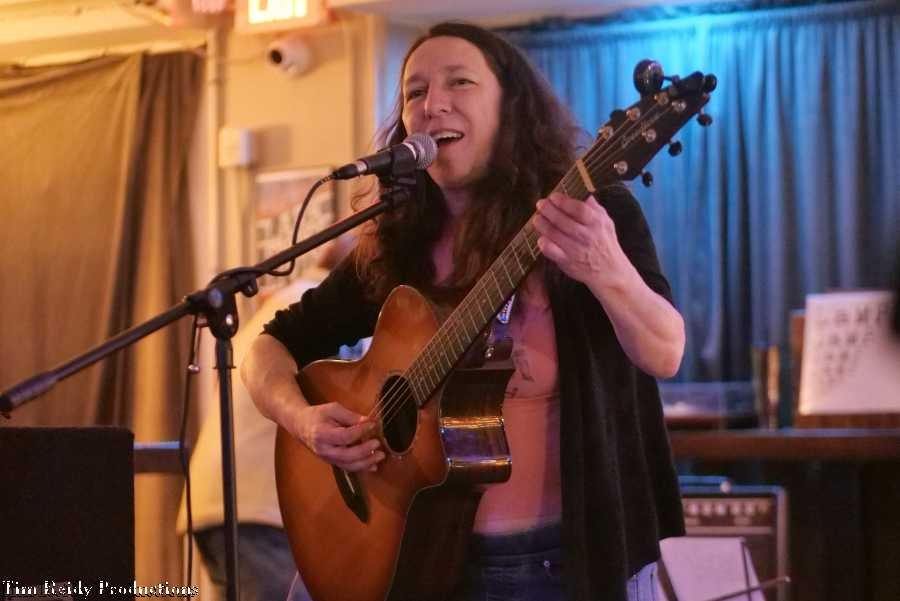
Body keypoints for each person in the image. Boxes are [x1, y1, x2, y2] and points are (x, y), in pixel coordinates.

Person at [241, 22, 686, 601]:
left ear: (511, 107)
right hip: (409, 561)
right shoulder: (397, 241)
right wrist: (303, 421)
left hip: (560, 565)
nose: (433, 104)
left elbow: (666, 352)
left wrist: (608, 269)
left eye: (460, 82)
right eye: (415, 91)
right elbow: (267, 348)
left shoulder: (591, 215)